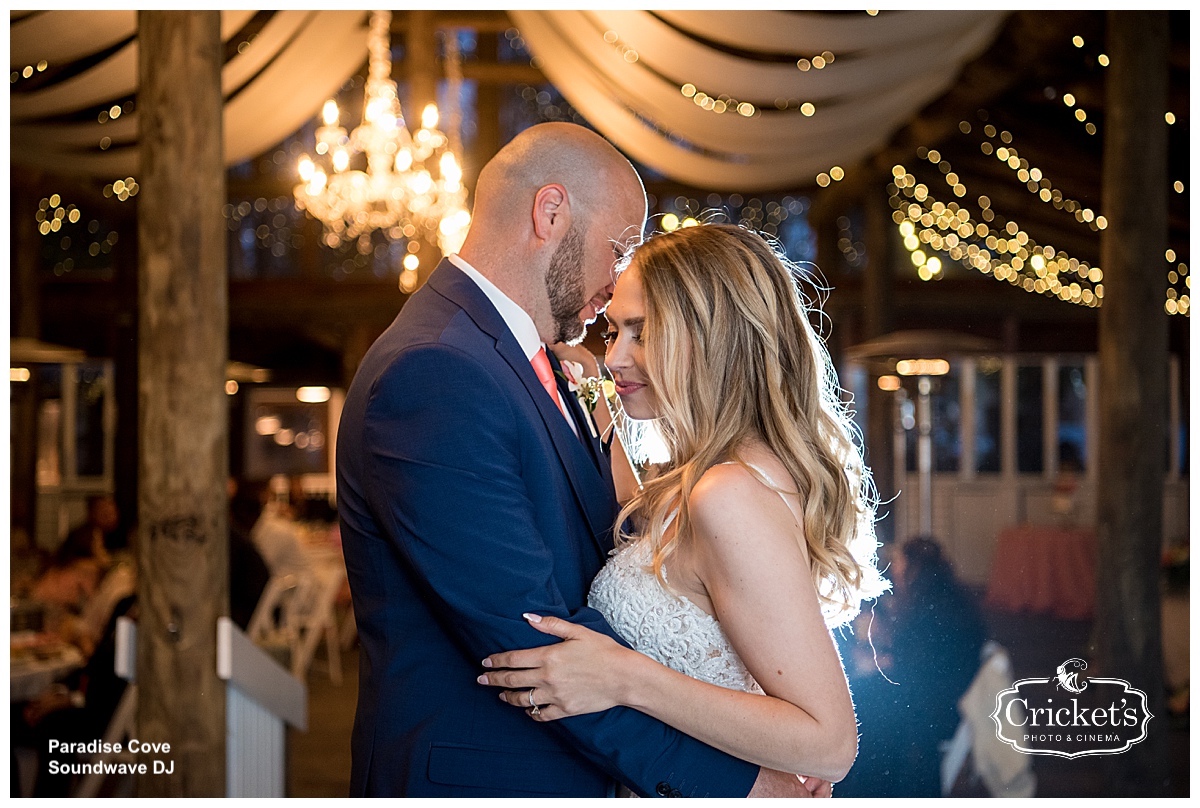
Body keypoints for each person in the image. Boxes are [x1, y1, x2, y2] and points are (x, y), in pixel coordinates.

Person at [337, 123, 815, 797]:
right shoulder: (436, 370)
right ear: (551, 213)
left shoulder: (537, 365)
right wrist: (741, 784)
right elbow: (534, 640)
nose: (622, 278)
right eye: (620, 248)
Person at [478, 223, 888, 786]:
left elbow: (828, 741)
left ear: (713, 335)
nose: (615, 355)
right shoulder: (722, 474)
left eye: (641, 333)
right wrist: (591, 401)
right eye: (614, 330)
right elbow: (647, 537)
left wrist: (627, 677)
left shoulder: (728, 495)